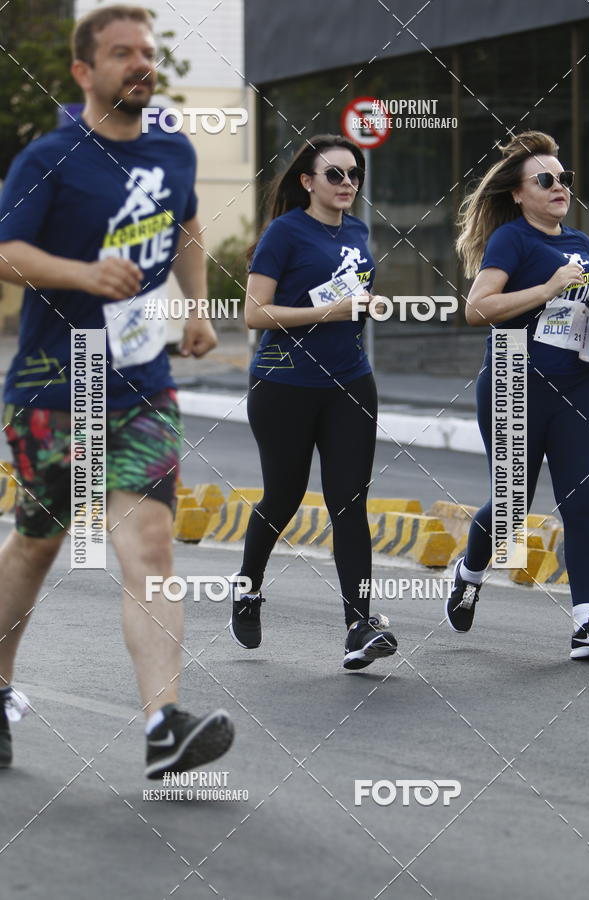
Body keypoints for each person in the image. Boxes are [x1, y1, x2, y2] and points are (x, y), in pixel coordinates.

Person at [0, 4, 234, 776]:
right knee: (38, 544)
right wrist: (81, 274)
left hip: (141, 385)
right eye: (121, 53)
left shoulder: (172, 150)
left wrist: (196, 307)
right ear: (83, 71)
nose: (140, 63)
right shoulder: (50, 158)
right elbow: (5, 252)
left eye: (146, 52)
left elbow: (189, 224)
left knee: (151, 545)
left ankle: (164, 726)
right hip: (52, 389)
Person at [227, 134, 397, 670]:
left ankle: (358, 626)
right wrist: (333, 311)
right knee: (284, 497)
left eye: (354, 174)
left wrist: (368, 304)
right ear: (308, 181)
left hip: (350, 381)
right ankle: (248, 587)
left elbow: (350, 301)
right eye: (335, 175)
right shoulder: (285, 233)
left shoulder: (359, 230)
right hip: (285, 385)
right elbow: (255, 314)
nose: (348, 184)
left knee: (349, 502)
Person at [448, 129, 589, 660]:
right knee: (512, 506)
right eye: (545, 179)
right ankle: (469, 572)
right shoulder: (512, 240)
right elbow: (477, 309)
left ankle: (587, 620)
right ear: (518, 193)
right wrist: (549, 288)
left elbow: (576, 317)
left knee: (585, 501)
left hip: (579, 383)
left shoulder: (581, 243)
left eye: (564, 178)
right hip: (516, 375)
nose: (559, 186)